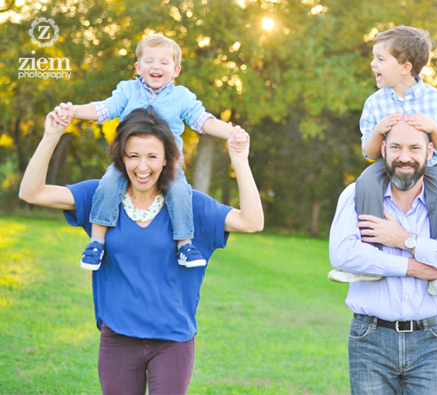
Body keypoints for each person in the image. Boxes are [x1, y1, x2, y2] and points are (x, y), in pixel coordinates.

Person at [19, 105, 264, 395]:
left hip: (173, 340)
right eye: (133, 156)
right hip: (119, 339)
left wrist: (240, 160)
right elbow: (31, 193)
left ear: (166, 160)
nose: (142, 166)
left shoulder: (189, 204)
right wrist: (51, 136)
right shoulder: (102, 198)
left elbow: (252, 221)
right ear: (121, 158)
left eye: (152, 156)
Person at [60, 33, 240, 270]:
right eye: (149, 61)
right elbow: (104, 109)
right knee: (108, 184)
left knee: (179, 190)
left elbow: (202, 120)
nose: (156, 66)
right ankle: (96, 242)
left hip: (168, 162)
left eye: (164, 62)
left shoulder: (181, 97)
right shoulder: (128, 91)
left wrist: (230, 132)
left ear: (176, 70)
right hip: (129, 161)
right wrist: (72, 111)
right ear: (138, 67)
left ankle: (185, 244)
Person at [329, 120, 437, 395]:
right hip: (369, 339)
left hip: (431, 340)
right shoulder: (356, 195)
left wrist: (406, 240)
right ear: (384, 149)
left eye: (414, 148)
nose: (405, 157)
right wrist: (414, 268)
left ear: (430, 151)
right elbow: (342, 254)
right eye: (396, 147)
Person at [328, 25, 437, 304]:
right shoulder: (375, 102)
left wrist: (431, 128)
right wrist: (379, 130)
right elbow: (369, 152)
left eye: (380, 59)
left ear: (405, 67)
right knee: (365, 183)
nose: (373, 64)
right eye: (374, 57)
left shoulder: (435, 99)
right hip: (386, 164)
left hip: (431, 165)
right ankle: (369, 258)